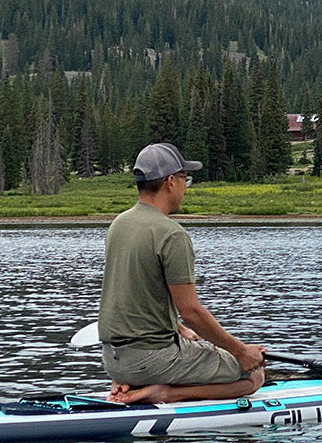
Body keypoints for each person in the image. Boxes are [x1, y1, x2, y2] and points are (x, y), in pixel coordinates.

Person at [100, 142, 265, 405]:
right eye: (184, 178)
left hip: (114, 362)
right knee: (253, 376)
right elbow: (191, 311)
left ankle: (142, 383)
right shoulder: (171, 234)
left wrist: (179, 329)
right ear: (170, 182)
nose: (185, 186)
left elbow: (134, 295)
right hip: (152, 359)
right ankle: (164, 393)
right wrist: (242, 352)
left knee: (203, 348)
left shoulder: (119, 224)